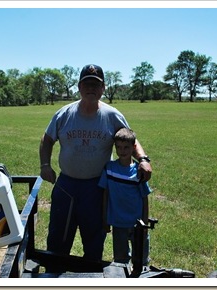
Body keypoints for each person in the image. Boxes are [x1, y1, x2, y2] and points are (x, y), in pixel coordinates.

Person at [39, 64, 152, 270]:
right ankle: (53, 275)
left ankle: (90, 276)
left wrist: (143, 159)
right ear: (79, 87)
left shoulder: (112, 115)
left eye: (96, 84)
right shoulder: (64, 114)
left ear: (103, 88)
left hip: (97, 187)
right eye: (87, 83)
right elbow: (47, 140)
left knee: (94, 238)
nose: (91, 88)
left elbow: (130, 139)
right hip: (66, 186)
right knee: (58, 236)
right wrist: (45, 165)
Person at [98, 127, 152, 268]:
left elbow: (145, 199)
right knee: (120, 261)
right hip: (118, 224)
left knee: (141, 261)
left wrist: (145, 223)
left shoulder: (138, 171)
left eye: (126, 147)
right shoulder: (109, 168)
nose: (122, 151)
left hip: (137, 225)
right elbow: (105, 195)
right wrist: (105, 219)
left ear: (134, 147)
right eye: (119, 147)